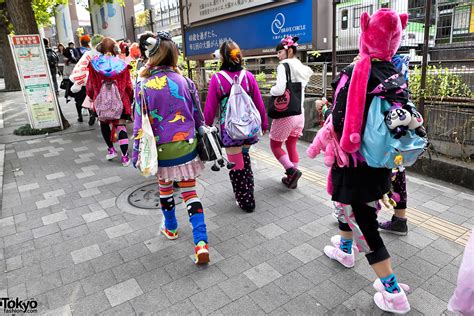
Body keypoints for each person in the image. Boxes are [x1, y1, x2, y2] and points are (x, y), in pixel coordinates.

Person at [321, 9, 412, 313]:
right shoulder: (394, 72)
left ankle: (393, 292)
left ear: (365, 32)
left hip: (354, 161)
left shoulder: (355, 70)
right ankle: (345, 250)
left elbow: (338, 118)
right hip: (383, 161)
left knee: (365, 221)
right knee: (350, 207)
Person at [132, 32, 209, 264]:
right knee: (190, 193)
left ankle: (172, 228)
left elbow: (138, 124)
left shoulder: (143, 86)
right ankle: (201, 242)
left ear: (151, 56)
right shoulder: (185, 82)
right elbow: (198, 115)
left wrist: (137, 153)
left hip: (160, 151)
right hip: (186, 147)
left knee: (165, 189)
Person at [204, 40, 268, 212]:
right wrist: (264, 122)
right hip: (248, 127)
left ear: (222, 58)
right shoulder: (248, 76)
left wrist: (206, 127)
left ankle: (246, 201)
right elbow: (259, 102)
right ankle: (249, 191)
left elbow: (210, 107)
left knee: (236, 165)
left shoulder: (217, 79)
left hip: (230, 130)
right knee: (245, 160)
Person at [269, 36, 313, 189]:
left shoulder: (283, 66)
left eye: (280, 52)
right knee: (291, 145)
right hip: (299, 113)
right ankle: (292, 179)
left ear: (290, 51)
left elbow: (280, 89)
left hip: (286, 114)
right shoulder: (300, 67)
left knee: (275, 145)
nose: (278, 55)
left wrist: (271, 90)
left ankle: (291, 171)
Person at [86, 37, 133, 166]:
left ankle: (111, 150)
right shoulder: (122, 65)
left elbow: (89, 85)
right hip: (120, 101)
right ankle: (124, 157)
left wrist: (91, 96)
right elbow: (129, 86)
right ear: (115, 49)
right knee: (121, 126)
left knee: (104, 124)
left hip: (101, 100)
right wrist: (130, 98)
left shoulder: (94, 65)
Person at [70, 34, 104, 126]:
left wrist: (78, 83)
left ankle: (92, 113)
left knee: (89, 98)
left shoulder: (88, 54)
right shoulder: (107, 54)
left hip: (89, 81)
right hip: (104, 82)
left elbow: (81, 68)